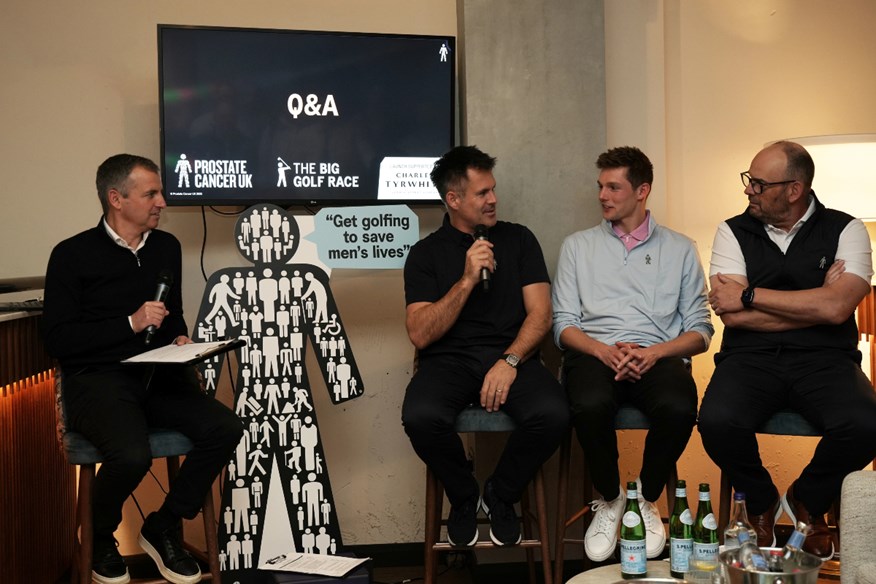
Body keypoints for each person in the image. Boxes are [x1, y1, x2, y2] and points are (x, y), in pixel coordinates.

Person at [43, 154, 244, 584]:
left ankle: (165, 524)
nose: (162, 202)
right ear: (116, 198)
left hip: (160, 377)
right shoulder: (71, 255)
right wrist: (129, 324)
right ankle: (97, 536)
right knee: (131, 454)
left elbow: (172, 319)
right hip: (97, 381)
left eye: (160, 192)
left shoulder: (166, 247)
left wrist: (181, 340)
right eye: (151, 193)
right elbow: (58, 340)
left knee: (225, 427)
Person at [699, 140, 876, 560]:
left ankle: (809, 502)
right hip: (750, 358)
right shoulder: (731, 230)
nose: (748, 191)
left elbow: (839, 308)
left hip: (826, 360)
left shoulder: (847, 229)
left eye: (758, 184)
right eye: (749, 181)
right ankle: (759, 504)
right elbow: (732, 315)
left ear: (794, 190)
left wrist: (751, 294)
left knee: (866, 424)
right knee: (717, 421)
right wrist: (818, 300)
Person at [401, 145, 569, 547]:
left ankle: (501, 493)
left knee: (555, 414)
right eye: (482, 193)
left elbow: (541, 314)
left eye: (493, 190)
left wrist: (510, 360)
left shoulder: (519, 240)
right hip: (449, 361)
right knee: (420, 417)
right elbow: (420, 334)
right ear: (453, 199)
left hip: (514, 356)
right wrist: (467, 280)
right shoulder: (425, 254)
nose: (493, 199)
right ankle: (463, 496)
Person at [551, 146, 714, 561]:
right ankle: (609, 500)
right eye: (600, 186)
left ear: (642, 191)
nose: (602, 195)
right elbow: (564, 323)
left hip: (656, 355)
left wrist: (655, 352)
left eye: (613, 187)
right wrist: (604, 351)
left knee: (679, 406)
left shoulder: (679, 248)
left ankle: (643, 498)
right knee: (589, 403)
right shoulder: (577, 246)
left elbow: (700, 329)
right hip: (593, 353)